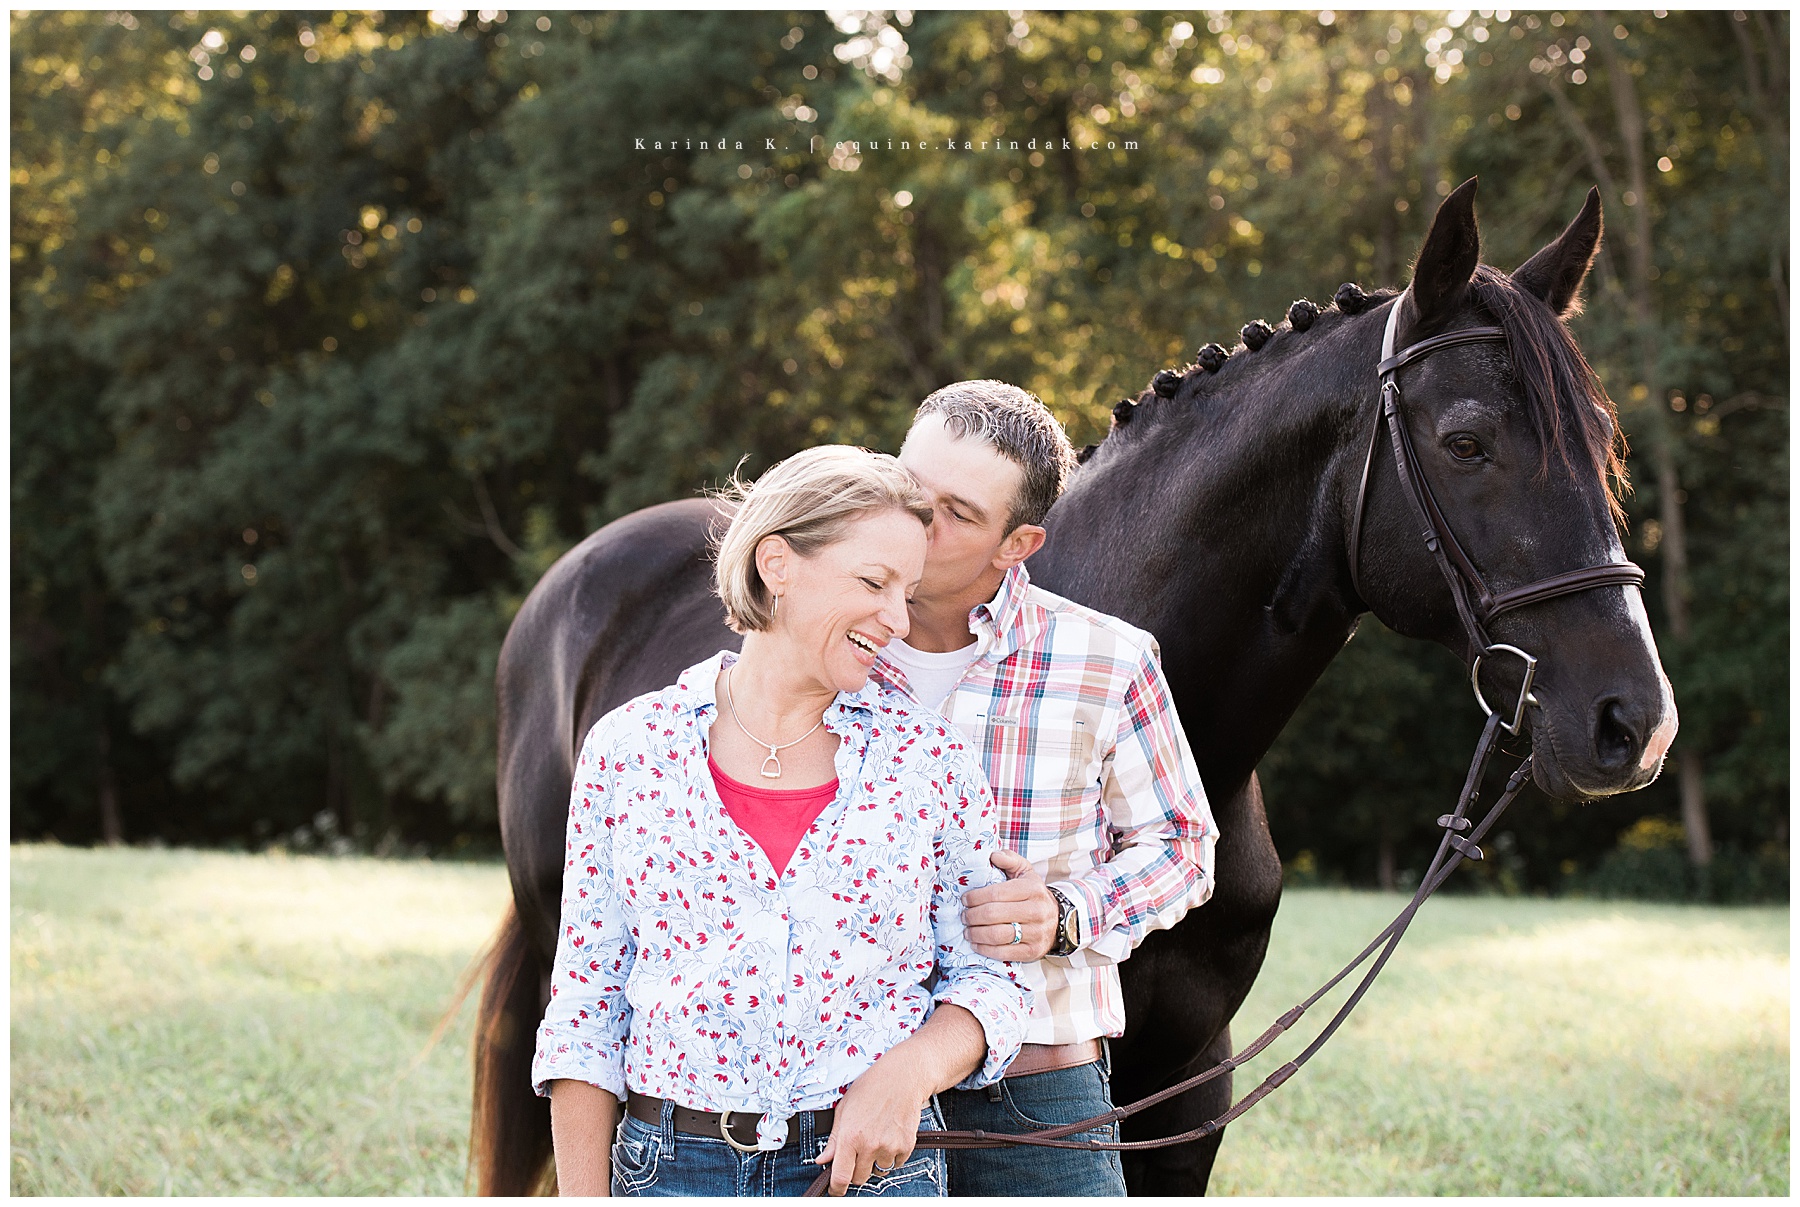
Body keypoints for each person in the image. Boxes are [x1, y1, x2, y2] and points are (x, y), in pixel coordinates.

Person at [532, 445, 1031, 1198]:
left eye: (908, 591)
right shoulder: (629, 749)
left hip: (869, 1173)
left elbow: (990, 983)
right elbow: (585, 1002)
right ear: (777, 563)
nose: (897, 618)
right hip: (668, 1170)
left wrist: (910, 1073)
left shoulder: (930, 759)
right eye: (874, 582)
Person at [877, 381, 1219, 1197]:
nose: (914, 523)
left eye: (954, 513)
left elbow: (1184, 846)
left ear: (1017, 543)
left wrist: (1068, 912)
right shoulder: (823, 649)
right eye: (903, 488)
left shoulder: (1109, 660)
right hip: (847, 1081)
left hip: (1033, 1091)